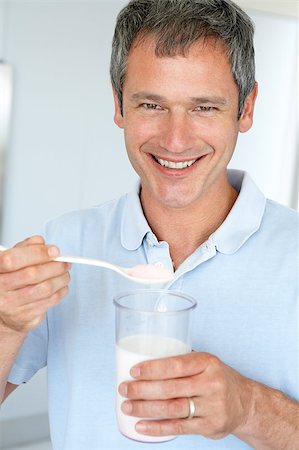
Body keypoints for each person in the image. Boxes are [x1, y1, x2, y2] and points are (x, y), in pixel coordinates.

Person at [0, 0, 298, 449]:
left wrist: (251, 407)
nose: (175, 141)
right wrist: (6, 324)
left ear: (246, 107)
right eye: (152, 104)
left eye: (204, 108)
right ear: (119, 103)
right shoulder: (66, 243)